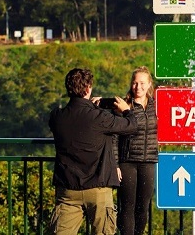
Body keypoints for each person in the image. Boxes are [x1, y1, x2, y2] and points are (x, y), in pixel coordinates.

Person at [48, 67, 138, 235]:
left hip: (68, 189)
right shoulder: (99, 117)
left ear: (68, 88)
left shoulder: (57, 117)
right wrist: (126, 110)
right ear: (88, 88)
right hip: (99, 188)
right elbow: (131, 126)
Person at [117, 66, 159, 235]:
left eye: (142, 83)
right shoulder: (124, 106)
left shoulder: (156, 105)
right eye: (135, 83)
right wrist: (115, 163)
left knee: (143, 207)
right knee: (127, 206)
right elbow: (114, 137)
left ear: (149, 84)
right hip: (127, 161)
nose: (138, 87)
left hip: (148, 160)